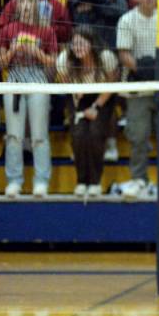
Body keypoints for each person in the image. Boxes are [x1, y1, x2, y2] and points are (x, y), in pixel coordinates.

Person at [0, 0, 56, 198]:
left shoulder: (46, 30)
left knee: (39, 135)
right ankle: (14, 181)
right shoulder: (8, 29)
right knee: (13, 135)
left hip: (38, 77)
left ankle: (41, 181)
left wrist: (36, 52)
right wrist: (14, 50)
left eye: (29, 1)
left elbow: (52, 62)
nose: (25, 5)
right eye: (22, 1)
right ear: (17, 4)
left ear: (36, 4)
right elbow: (1, 63)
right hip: (14, 77)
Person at [56, 25, 118, 197]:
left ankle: (95, 182)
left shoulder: (106, 58)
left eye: (82, 43)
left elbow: (113, 83)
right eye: (75, 44)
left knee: (95, 133)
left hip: (103, 96)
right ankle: (81, 181)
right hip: (78, 96)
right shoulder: (64, 60)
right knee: (78, 135)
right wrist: (78, 103)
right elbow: (66, 84)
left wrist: (96, 106)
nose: (78, 48)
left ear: (91, 44)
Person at [116, 0, 159, 199]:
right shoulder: (126, 20)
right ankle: (139, 179)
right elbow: (123, 54)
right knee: (139, 137)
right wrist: (143, 70)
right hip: (138, 87)